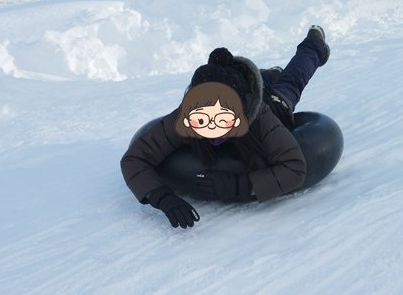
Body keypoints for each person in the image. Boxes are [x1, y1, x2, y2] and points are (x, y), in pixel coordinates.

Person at [120, 26, 330, 229]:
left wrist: (241, 186)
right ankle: (267, 74)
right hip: (239, 86)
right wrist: (162, 197)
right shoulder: (186, 117)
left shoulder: (261, 118)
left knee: (292, 81)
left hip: (272, 102)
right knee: (265, 79)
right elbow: (135, 158)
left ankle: (314, 45)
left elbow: (294, 168)